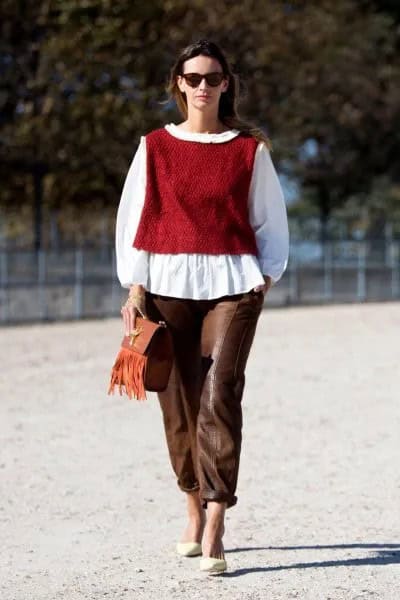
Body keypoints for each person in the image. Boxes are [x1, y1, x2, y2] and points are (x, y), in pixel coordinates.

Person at [116, 39, 289, 574]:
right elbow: (133, 216)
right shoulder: (154, 147)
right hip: (166, 283)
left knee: (220, 393)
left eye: (213, 78)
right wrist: (134, 286)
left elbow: (268, 217)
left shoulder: (249, 149)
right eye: (193, 78)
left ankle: (216, 519)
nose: (203, 87)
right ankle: (191, 505)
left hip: (234, 284)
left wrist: (266, 274)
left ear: (226, 84)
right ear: (178, 85)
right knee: (179, 404)